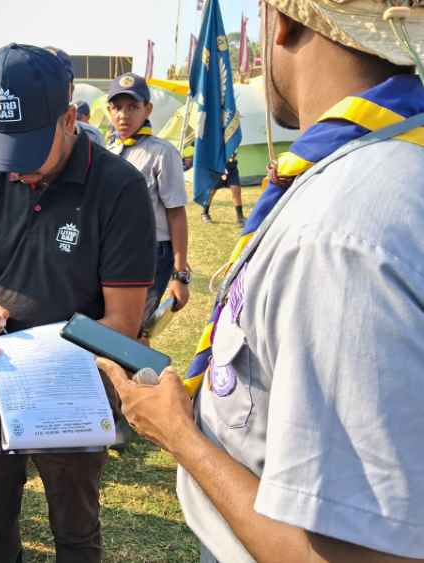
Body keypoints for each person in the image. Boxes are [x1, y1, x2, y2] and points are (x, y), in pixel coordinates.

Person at [102, 1, 424, 562]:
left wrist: (179, 433)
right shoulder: (391, 163)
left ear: (284, 20)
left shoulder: (334, 234)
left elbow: (350, 555)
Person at [0, 43, 156, 563]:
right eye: (3, 149)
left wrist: (36, 353)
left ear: (68, 120)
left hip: (73, 385)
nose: (17, 170)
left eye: (28, 150)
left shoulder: (119, 188)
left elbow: (121, 327)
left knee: (74, 527)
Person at [106, 73, 190, 322]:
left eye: (133, 107)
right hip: (114, 250)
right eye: (117, 107)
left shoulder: (162, 153)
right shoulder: (107, 152)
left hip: (152, 253)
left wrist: (180, 273)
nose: (124, 115)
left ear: (148, 109)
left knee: (136, 327)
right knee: (116, 323)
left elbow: (176, 213)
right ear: (109, 111)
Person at [45, 46, 105, 146]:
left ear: (71, 90)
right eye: (42, 83)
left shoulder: (92, 137)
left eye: (58, 84)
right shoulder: (18, 133)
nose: (49, 91)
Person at [200, 153, 246, 226]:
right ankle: (205, 213)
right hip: (217, 167)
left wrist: (232, 154)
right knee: (211, 192)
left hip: (231, 167)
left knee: (236, 190)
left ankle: (240, 217)